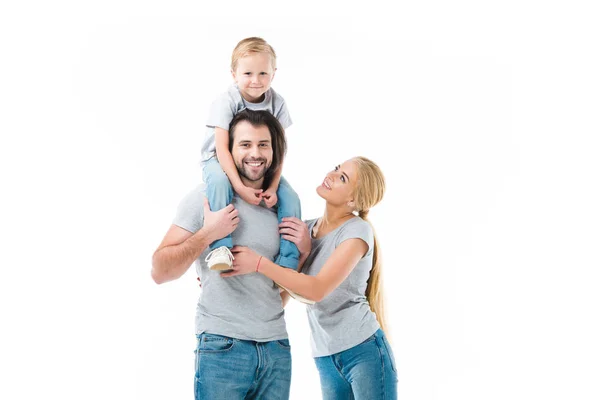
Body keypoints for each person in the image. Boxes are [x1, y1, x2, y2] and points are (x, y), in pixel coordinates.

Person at [224, 156, 398, 399]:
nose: (332, 174)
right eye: (337, 168)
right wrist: (303, 254)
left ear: (353, 200)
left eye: (342, 178)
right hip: (325, 356)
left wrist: (259, 264)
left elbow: (316, 290)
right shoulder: (306, 230)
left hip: (363, 351)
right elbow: (282, 299)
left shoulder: (357, 231)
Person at [152, 109, 295, 399]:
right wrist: (209, 233)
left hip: (276, 349)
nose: (255, 153)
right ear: (228, 151)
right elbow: (159, 271)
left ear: (273, 149)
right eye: (245, 144)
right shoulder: (206, 198)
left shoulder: (281, 205)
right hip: (222, 347)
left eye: (263, 144)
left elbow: (286, 280)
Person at [200, 36, 301, 272]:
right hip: (219, 158)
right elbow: (222, 149)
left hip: (259, 163)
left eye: (263, 74)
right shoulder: (226, 101)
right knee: (217, 181)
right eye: (248, 74)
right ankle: (220, 247)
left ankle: (288, 260)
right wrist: (240, 188)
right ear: (234, 74)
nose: (256, 81)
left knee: (291, 198)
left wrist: (274, 187)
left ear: (273, 74)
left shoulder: (277, 103)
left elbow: (279, 150)